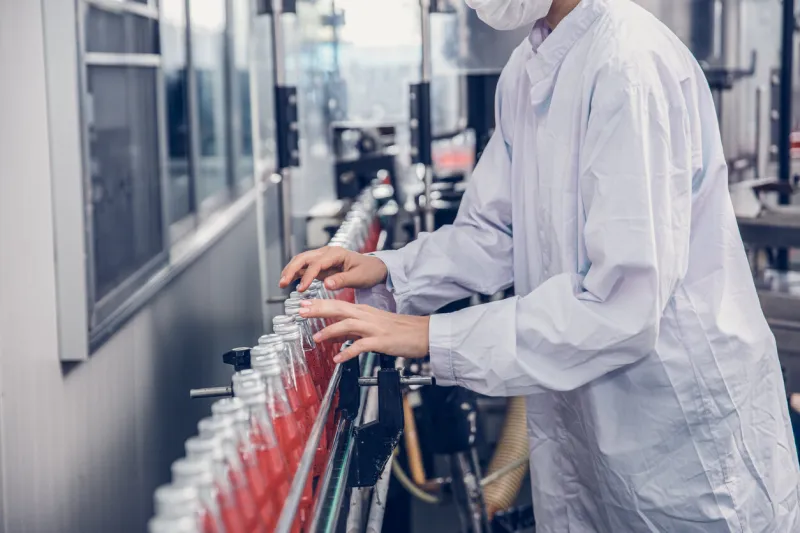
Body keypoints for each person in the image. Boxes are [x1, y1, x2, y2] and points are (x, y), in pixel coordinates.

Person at [281, 0, 800, 530]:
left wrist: (433, 336)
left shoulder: (629, 64)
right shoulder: (528, 67)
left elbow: (621, 306)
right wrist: (388, 272)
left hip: (679, 430)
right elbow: (494, 231)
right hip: (590, 419)